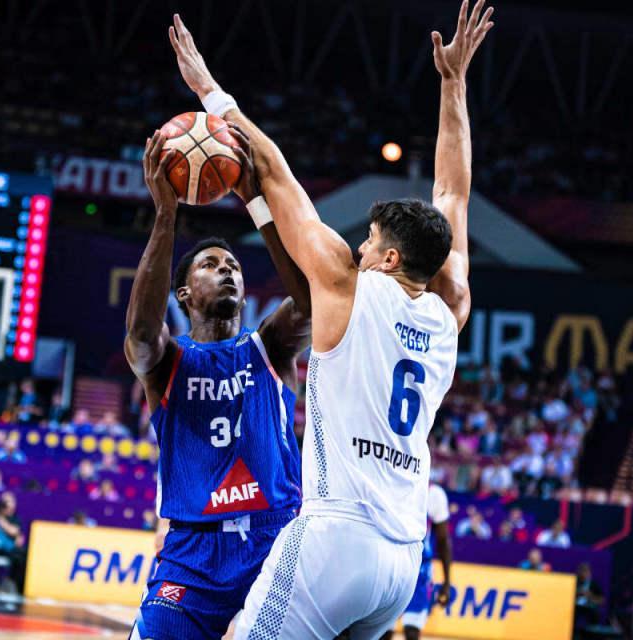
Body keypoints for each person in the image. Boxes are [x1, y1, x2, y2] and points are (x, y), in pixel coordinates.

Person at [168, 2, 492, 634]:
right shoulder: (451, 305)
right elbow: (453, 193)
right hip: (402, 560)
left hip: (337, 536)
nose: (360, 248)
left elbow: (274, 170)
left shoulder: (348, 286)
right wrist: (453, 85)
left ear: (390, 257)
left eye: (370, 241)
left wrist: (209, 91)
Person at [125, 53, 312, 640]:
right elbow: (139, 336)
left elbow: (312, 302)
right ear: (183, 292)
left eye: (233, 266)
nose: (228, 270)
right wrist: (166, 216)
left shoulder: (270, 347)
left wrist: (257, 202)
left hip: (276, 541)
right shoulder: (167, 363)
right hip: (193, 553)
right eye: (211, 264)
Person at [382, 483, 453, 640]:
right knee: (383, 631)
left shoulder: (434, 494)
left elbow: (443, 540)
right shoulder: (390, 484)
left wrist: (447, 581)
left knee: (412, 631)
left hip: (419, 572)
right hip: (391, 566)